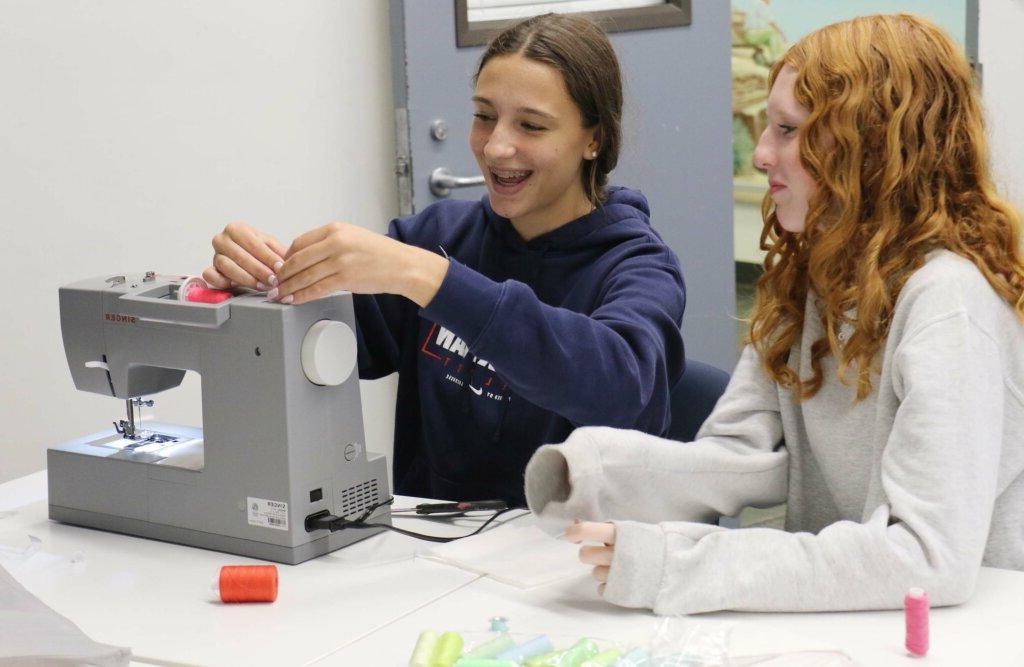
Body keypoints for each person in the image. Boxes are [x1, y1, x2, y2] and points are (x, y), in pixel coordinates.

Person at [525, 13, 1024, 613]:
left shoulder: (949, 302)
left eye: (788, 130)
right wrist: (596, 472)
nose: (761, 154)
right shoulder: (814, 274)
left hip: (965, 630)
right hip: (855, 619)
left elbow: (926, 557)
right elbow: (745, 459)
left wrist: (682, 566)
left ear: (872, 150)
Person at [204, 13, 686, 506]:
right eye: (484, 116)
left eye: (532, 125)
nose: (496, 146)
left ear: (595, 139)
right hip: (432, 560)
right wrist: (256, 288)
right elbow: (322, 347)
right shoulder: (437, 236)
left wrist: (430, 277)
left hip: (572, 560)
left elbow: (625, 392)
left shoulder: (639, 267)